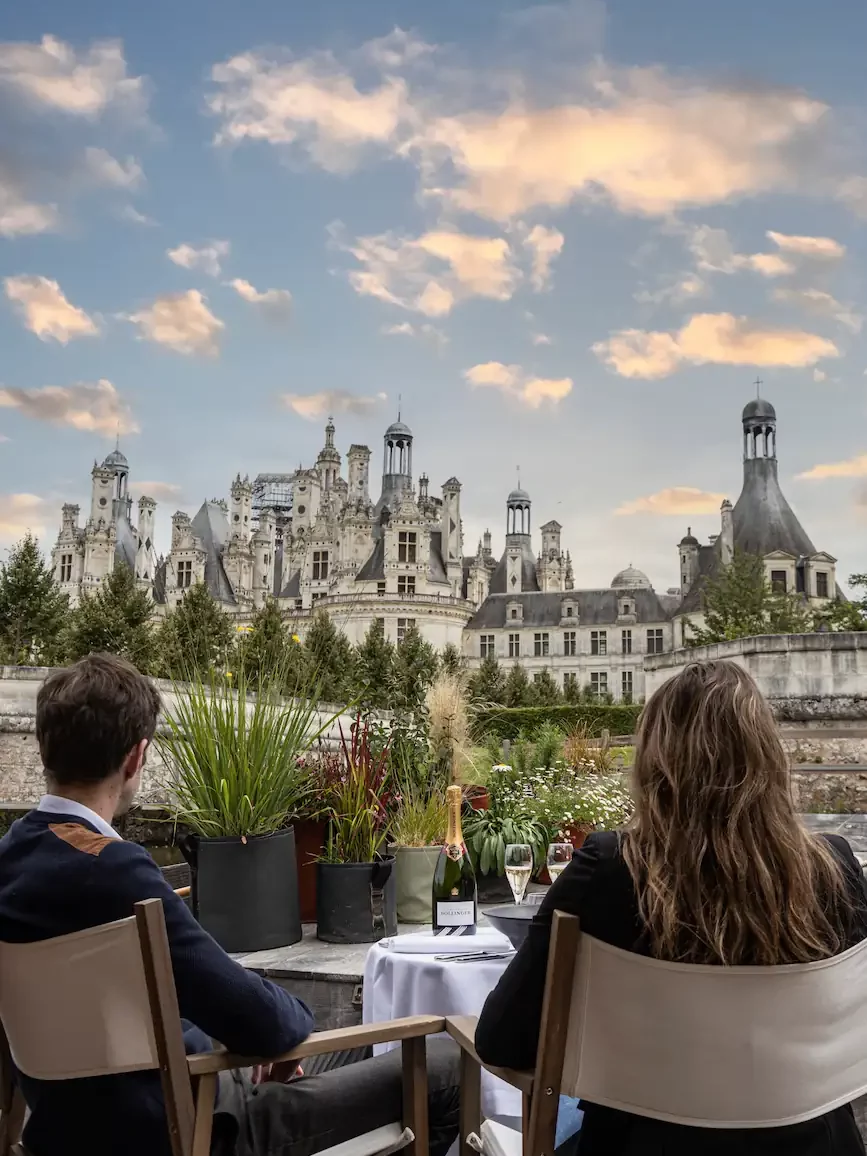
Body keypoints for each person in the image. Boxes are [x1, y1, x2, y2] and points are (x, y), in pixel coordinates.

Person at [0, 654, 459, 1156]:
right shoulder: (114, 871)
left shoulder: (11, 861)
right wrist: (278, 1025)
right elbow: (262, 1020)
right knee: (443, 1065)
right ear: (136, 758)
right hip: (198, 1129)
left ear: (43, 747)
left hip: (63, 1134)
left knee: (348, 1046)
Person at [476, 660, 867, 1156]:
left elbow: (501, 1039)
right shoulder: (835, 868)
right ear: (769, 757)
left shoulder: (610, 868)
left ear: (654, 762)